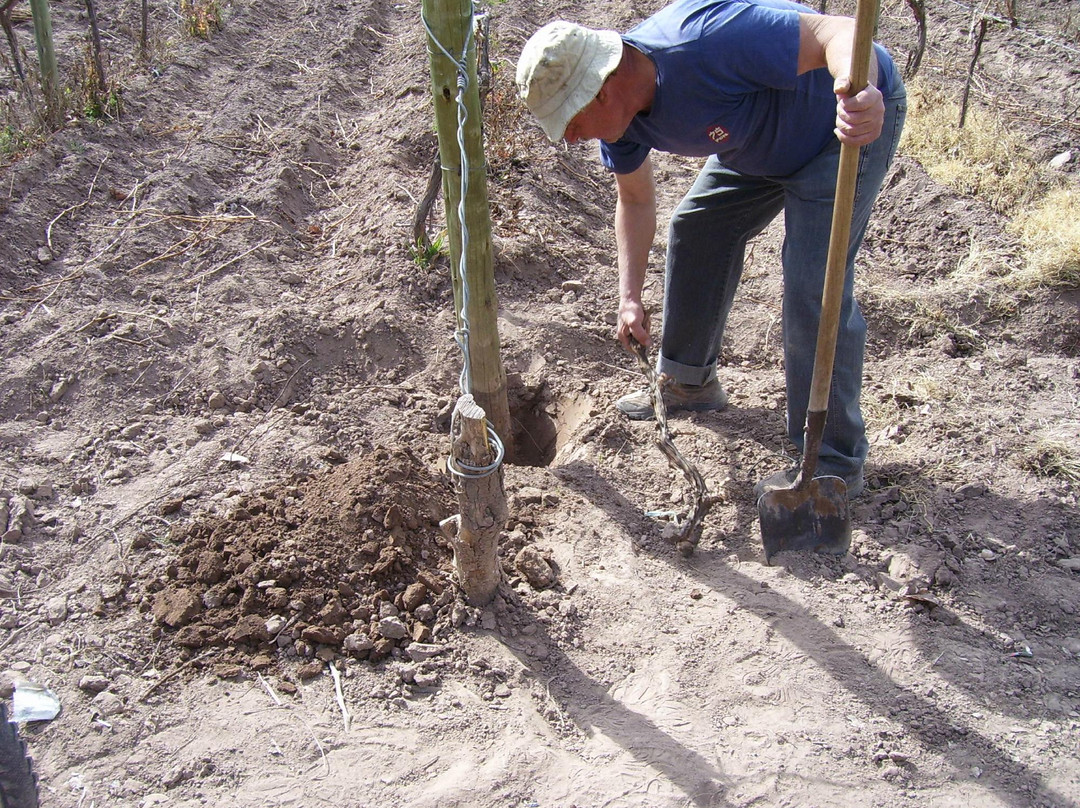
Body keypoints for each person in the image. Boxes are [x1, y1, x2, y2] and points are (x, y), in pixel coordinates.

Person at [516, 0, 906, 498]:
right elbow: (634, 201)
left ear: (602, 87)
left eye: (570, 120)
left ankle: (831, 461)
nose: (570, 138)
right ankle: (688, 380)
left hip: (836, 133)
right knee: (698, 226)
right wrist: (629, 295)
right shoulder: (623, 122)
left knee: (813, 281)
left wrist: (863, 92)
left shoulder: (707, 41)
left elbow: (839, 31)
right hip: (755, 144)